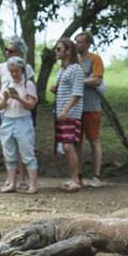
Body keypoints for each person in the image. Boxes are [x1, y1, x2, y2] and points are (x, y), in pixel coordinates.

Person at [0, 37, 35, 191]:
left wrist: (20, 98)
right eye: (7, 50)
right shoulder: (0, 68)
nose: (8, 52)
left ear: (20, 51)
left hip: (23, 113)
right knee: (9, 147)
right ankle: (11, 179)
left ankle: (24, 178)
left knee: (24, 146)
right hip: (7, 113)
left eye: (12, 50)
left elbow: (30, 90)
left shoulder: (27, 69)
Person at [50, 37, 84, 192]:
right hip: (61, 112)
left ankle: (75, 180)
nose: (56, 52)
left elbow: (77, 93)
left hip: (70, 113)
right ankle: (74, 178)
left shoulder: (76, 69)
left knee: (68, 145)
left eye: (59, 49)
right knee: (67, 145)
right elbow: (66, 90)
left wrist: (65, 110)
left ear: (68, 51)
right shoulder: (62, 70)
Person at [75, 31, 105, 188]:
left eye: (80, 42)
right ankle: (78, 175)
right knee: (76, 141)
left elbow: (98, 80)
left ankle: (96, 176)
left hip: (91, 106)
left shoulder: (95, 59)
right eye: (76, 41)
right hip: (76, 106)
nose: (77, 44)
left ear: (87, 44)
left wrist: (81, 81)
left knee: (93, 140)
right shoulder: (74, 60)